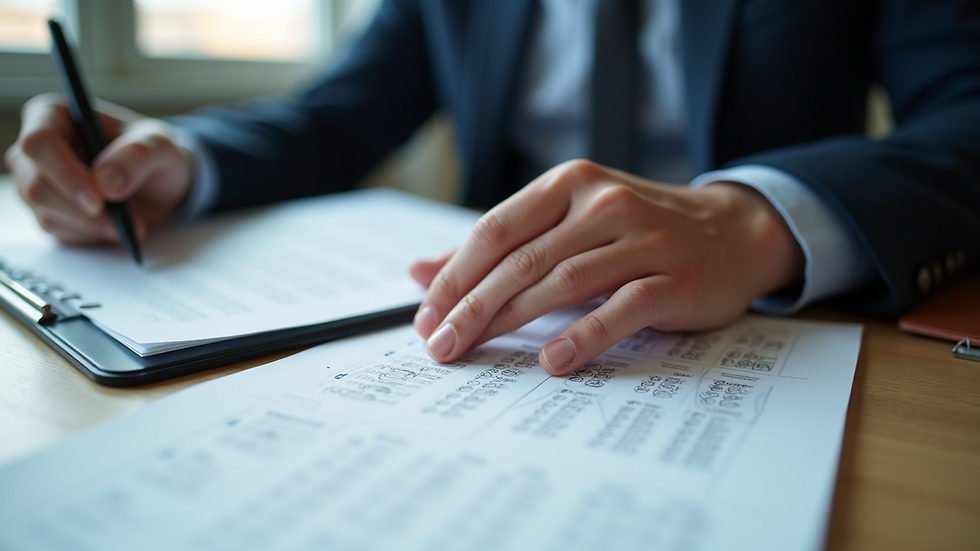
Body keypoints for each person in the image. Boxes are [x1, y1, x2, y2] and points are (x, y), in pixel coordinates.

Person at [6, 0, 980, 377]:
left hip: (768, 328)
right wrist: (179, 156)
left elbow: (966, 109)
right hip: (491, 332)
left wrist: (756, 215)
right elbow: (340, 114)